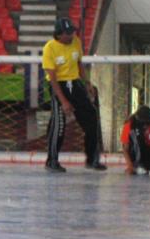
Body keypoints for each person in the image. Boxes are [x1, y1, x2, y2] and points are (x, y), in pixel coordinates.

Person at [42, 16, 106, 173]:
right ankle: (52, 160)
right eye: (67, 33)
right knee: (59, 124)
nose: (71, 35)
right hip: (59, 86)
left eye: (72, 32)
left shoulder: (76, 42)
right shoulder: (50, 48)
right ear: (59, 34)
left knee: (91, 117)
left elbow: (79, 65)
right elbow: (53, 78)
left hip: (75, 83)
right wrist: (63, 101)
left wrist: (87, 83)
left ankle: (92, 159)